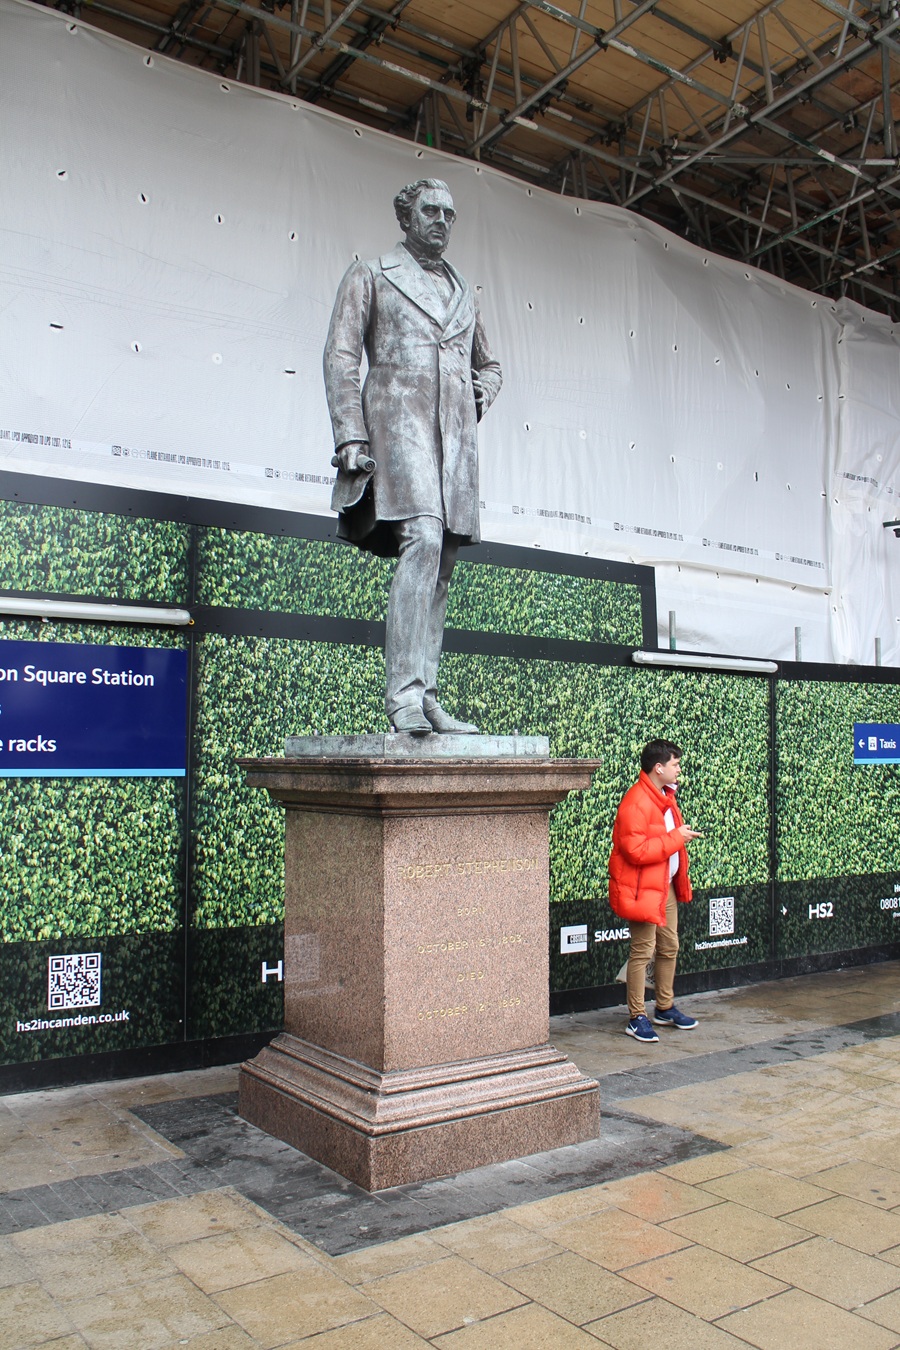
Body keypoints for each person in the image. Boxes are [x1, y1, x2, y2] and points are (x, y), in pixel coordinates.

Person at [323, 179, 503, 735]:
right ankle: (402, 696)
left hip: (454, 439)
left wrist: (483, 393)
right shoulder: (372, 274)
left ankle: (425, 696)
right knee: (422, 538)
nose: (442, 220)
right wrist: (350, 434)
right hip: (398, 425)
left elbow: (490, 365)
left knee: (443, 559)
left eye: (450, 213)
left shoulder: (464, 292)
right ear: (406, 217)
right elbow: (341, 354)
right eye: (431, 210)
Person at [608, 739, 701, 1042]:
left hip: (664, 887)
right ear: (658, 767)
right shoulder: (635, 801)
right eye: (675, 764)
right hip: (642, 890)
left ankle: (664, 1007)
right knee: (642, 951)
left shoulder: (664, 796)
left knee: (669, 946)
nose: (679, 769)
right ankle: (637, 1017)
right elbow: (635, 851)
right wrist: (676, 838)